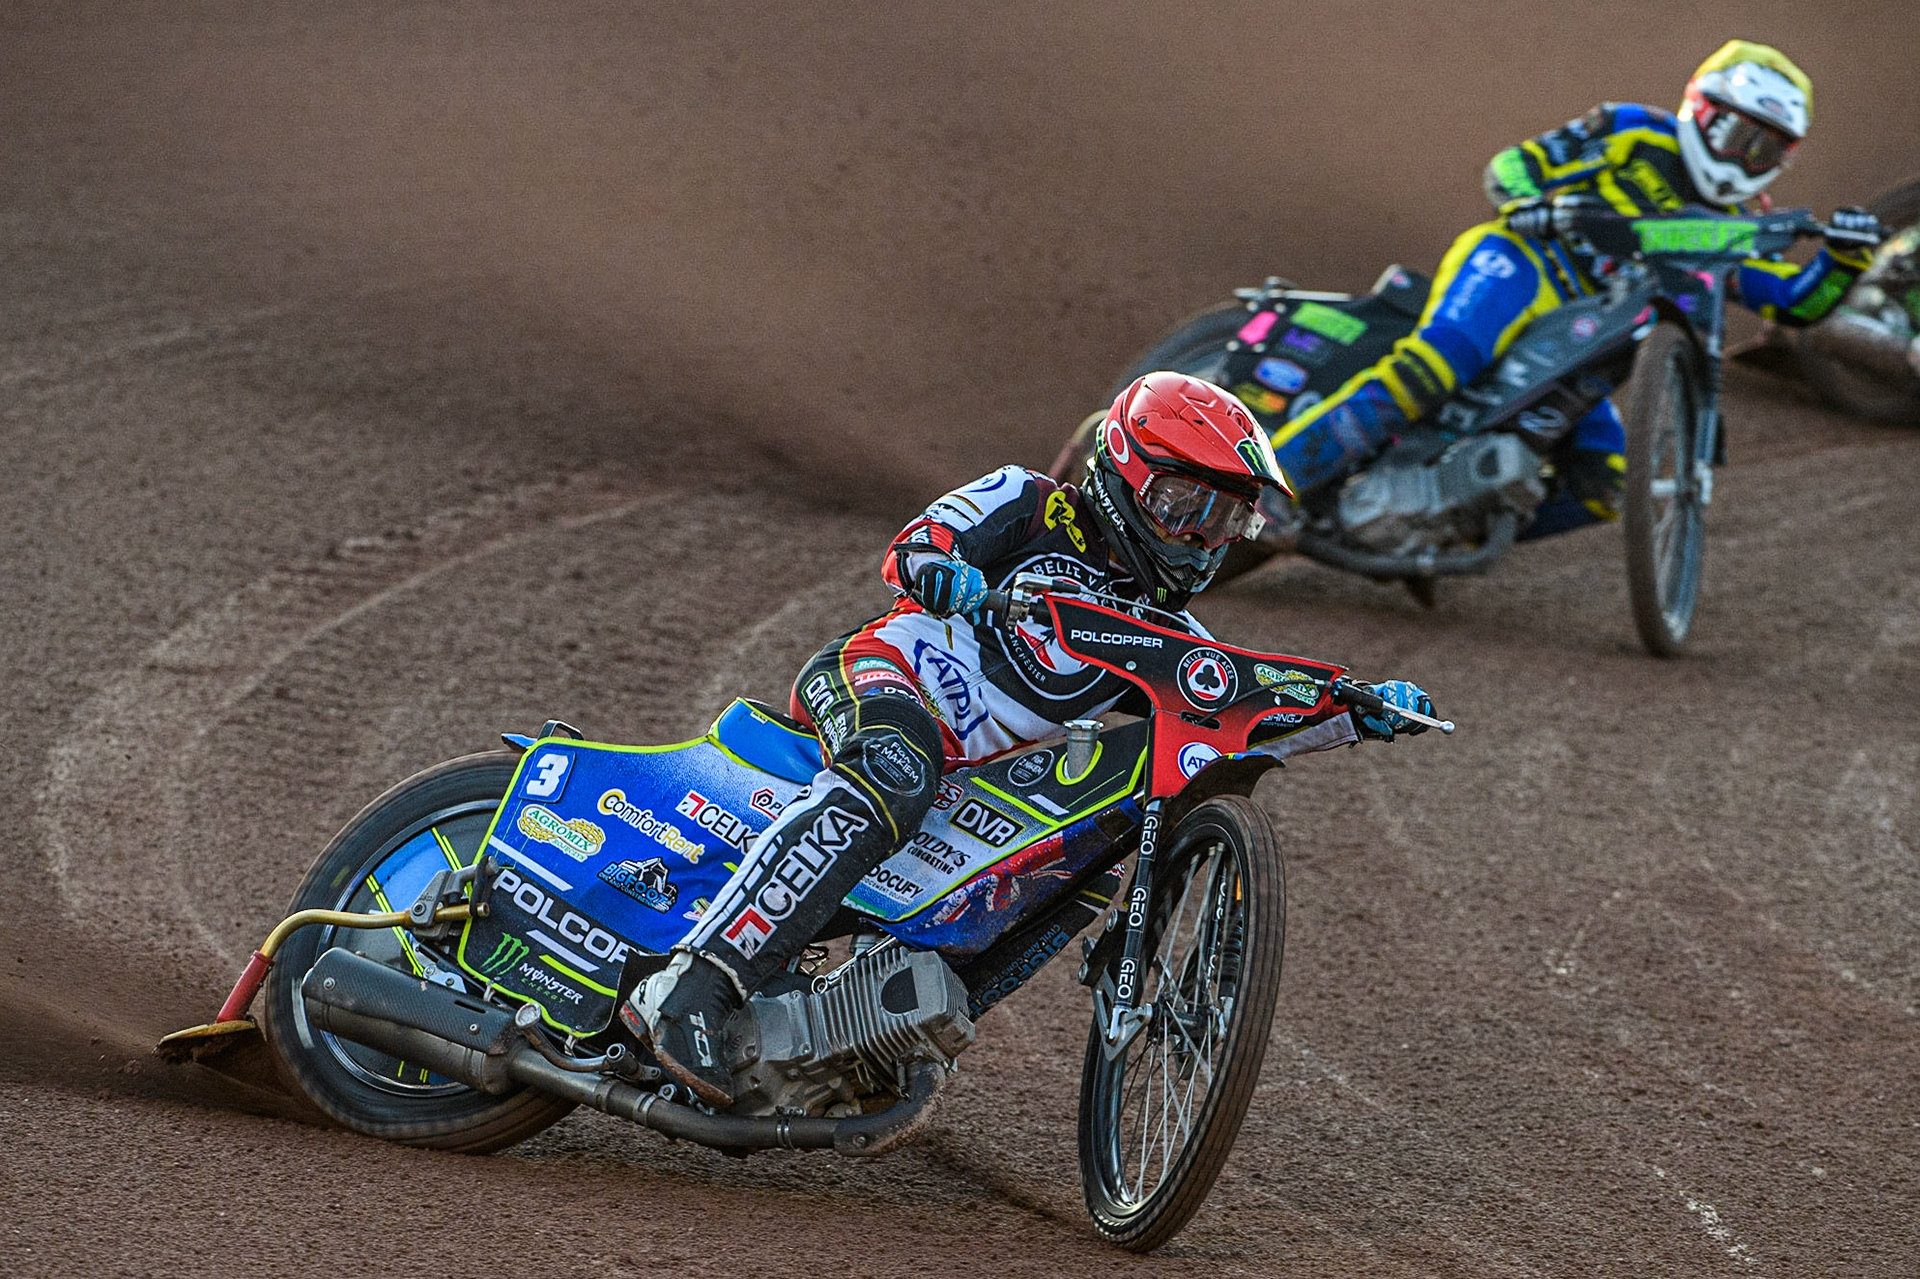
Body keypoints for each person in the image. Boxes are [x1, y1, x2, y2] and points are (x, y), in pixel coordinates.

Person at [622, 371, 1437, 1105]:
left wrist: (1350, 709)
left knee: (1081, 863)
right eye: (1184, 506)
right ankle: (694, 986)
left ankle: (883, 1034)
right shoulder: (1032, 500)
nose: (1199, 537)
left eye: (1224, 519)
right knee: (897, 768)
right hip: (880, 676)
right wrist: (941, 567)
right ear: (1124, 471)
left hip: (962, 778)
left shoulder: (1168, 633)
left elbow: (1234, 709)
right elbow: (921, 541)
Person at [1269, 39, 1882, 536]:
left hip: (1584, 342)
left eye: (1766, 150)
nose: (1744, 158)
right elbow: (1512, 166)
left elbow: (1794, 302)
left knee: (1605, 483)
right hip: (1522, 266)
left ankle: (1432, 531)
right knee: (1435, 365)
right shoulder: (1632, 129)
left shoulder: (1735, 230)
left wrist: (1845, 258)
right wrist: (1530, 202)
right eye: (1736, 136)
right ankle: (1272, 489)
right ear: (1701, 110)